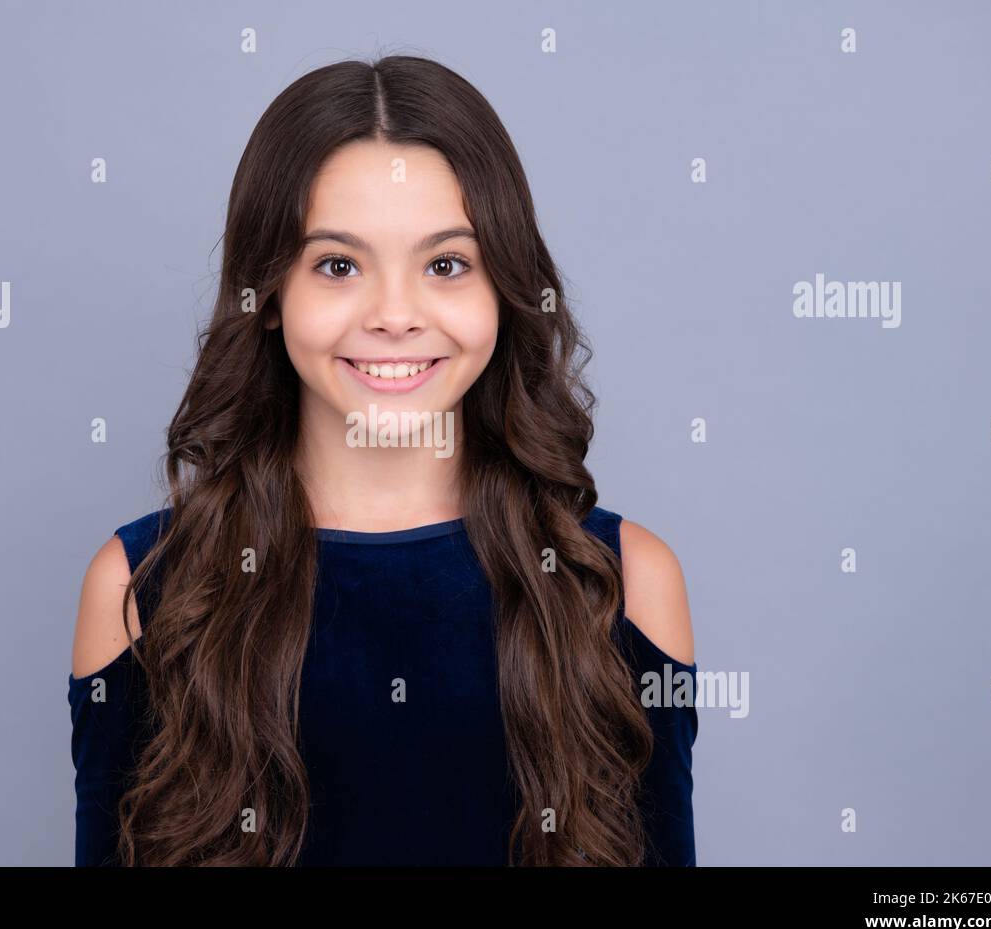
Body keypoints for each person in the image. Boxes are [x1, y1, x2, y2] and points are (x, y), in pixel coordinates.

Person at [68, 54, 697, 867]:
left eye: (445, 265)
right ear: (267, 297)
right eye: (338, 265)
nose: (395, 315)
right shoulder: (139, 589)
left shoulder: (628, 583)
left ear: (501, 289)